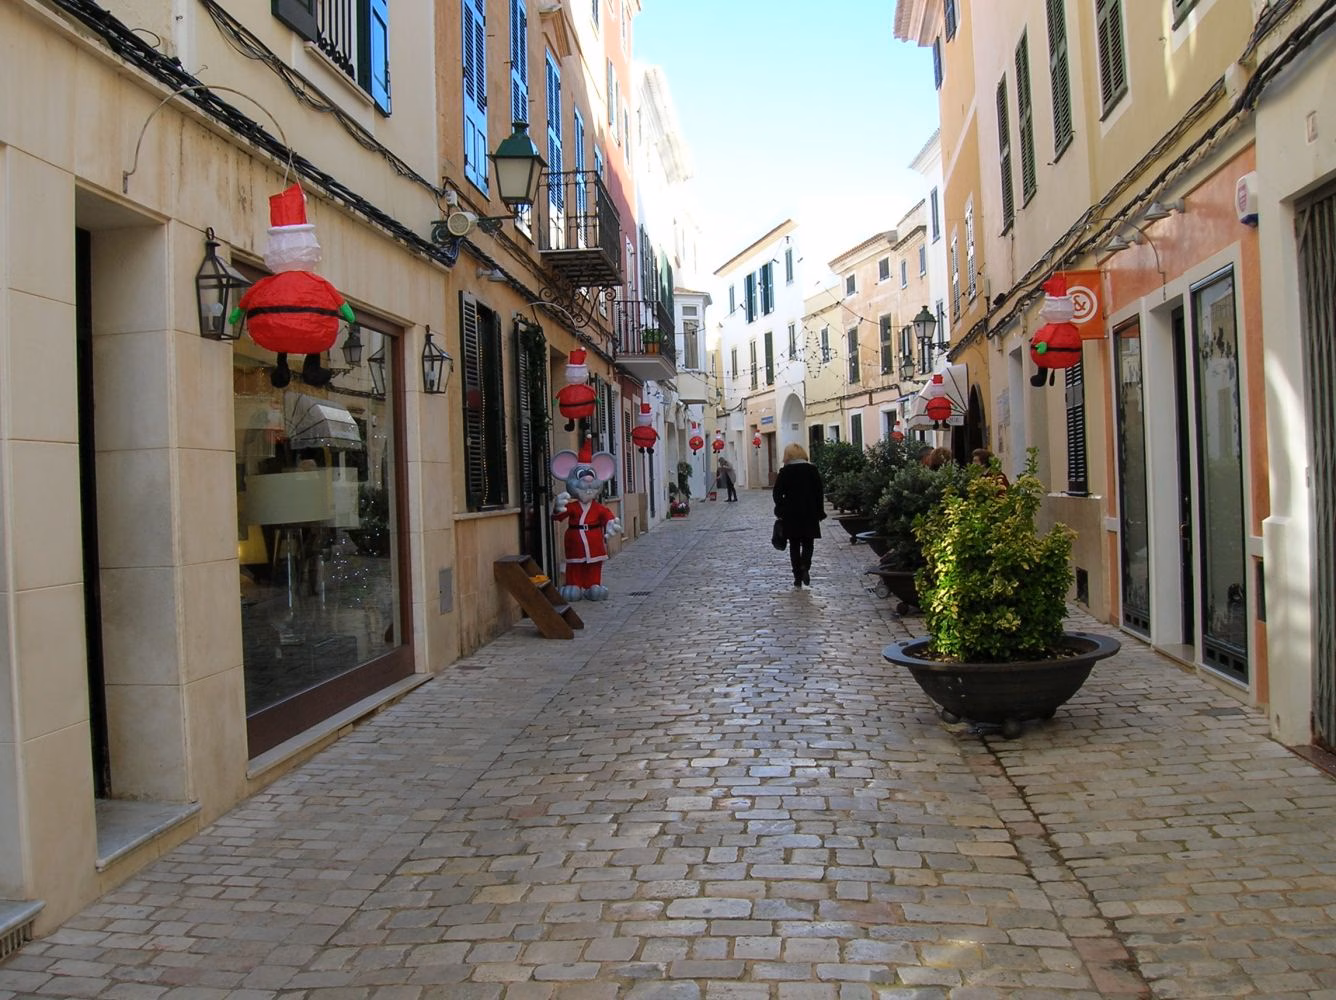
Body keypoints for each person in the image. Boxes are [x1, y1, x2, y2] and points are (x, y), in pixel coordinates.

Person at [773, 442, 826, 588]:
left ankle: (797, 576)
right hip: (810, 512)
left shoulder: (785, 472)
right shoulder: (812, 470)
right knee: (809, 542)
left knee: (794, 544)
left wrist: (781, 508)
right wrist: (819, 511)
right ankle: (805, 567)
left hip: (791, 513)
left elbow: (777, 493)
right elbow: (819, 493)